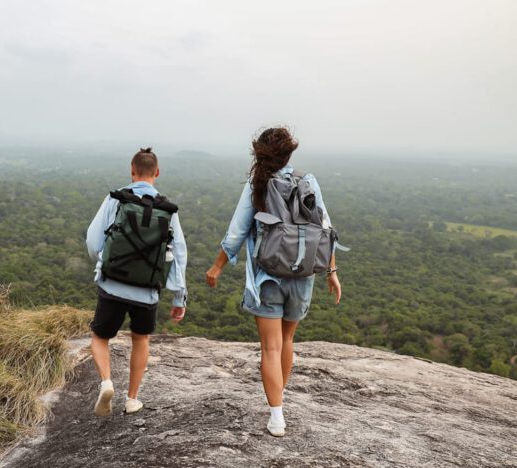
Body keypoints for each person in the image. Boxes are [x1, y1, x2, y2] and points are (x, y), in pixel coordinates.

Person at [205, 128, 342, 437]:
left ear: (260, 153)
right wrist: (332, 273)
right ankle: (280, 399)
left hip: (266, 277)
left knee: (270, 346)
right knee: (287, 341)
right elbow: (326, 228)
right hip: (302, 275)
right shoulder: (308, 181)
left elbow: (236, 232)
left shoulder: (259, 185)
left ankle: (276, 415)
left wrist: (217, 267)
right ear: (289, 154)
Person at [85, 147, 188, 416]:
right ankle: (132, 398)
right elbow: (178, 255)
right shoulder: (168, 210)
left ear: (132, 171)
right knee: (140, 339)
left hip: (113, 284)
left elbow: (93, 241)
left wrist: (105, 261)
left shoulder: (116, 199)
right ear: (157, 172)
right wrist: (179, 297)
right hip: (147, 290)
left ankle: (107, 382)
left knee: (99, 336)